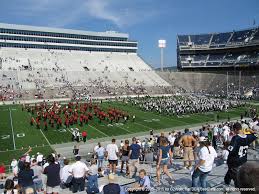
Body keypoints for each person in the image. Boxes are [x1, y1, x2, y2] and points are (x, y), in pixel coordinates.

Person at [224, 122, 258, 188]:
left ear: (235, 129)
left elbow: (230, 150)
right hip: (243, 160)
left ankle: (237, 187)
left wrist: (225, 147)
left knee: (235, 178)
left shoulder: (236, 138)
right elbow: (256, 135)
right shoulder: (248, 137)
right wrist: (250, 130)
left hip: (235, 161)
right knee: (230, 175)